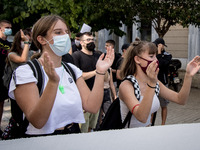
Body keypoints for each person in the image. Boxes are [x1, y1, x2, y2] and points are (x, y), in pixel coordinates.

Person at [8, 15, 114, 137]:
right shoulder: (26, 72)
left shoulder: (72, 70)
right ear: (42, 39)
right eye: (58, 32)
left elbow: (92, 106)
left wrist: (100, 72)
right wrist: (53, 83)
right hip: (40, 141)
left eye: (66, 32)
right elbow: (38, 121)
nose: (65, 36)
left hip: (71, 135)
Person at [118, 40, 200, 128]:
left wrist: (188, 75)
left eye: (156, 56)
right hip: (131, 137)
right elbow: (142, 117)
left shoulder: (155, 82)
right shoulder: (127, 85)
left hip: (148, 134)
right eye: (151, 56)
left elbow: (180, 99)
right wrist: (152, 83)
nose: (156, 60)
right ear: (137, 59)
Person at [72, 32, 101, 133]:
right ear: (82, 43)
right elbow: (78, 76)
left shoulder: (98, 56)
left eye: (92, 39)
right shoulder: (76, 56)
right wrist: (96, 72)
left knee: (91, 128)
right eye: (88, 40)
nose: (91, 42)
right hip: (83, 100)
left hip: (96, 97)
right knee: (82, 129)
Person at [153, 37, 172, 125]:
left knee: (163, 105)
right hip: (153, 83)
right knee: (152, 106)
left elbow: (161, 64)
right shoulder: (153, 55)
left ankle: (163, 124)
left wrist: (159, 52)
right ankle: (150, 123)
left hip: (163, 83)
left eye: (158, 46)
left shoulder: (167, 55)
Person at [0, 20, 12, 136]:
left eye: (10, 27)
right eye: (7, 27)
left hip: (4, 77)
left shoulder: (8, 44)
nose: (9, 29)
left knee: (2, 104)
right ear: (1, 28)